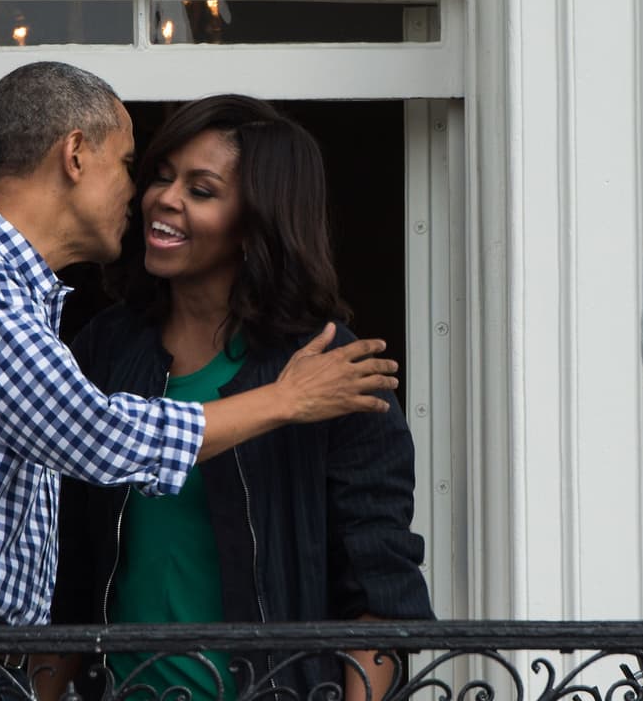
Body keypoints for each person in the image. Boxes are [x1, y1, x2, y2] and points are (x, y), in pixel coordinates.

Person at [0, 63, 398, 700]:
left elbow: (379, 575)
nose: (144, 193)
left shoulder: (19, 295)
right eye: (134, 167)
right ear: (74, 155)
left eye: (198, 188)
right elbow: (92, 435)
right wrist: (286, 399)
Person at [45, 95, 433, 701]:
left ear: (257, 224)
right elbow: (66, 576)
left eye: (201, 190)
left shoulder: (334, 370)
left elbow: (381, 591)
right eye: (162, 177)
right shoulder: (107, 350)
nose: (164, 199)